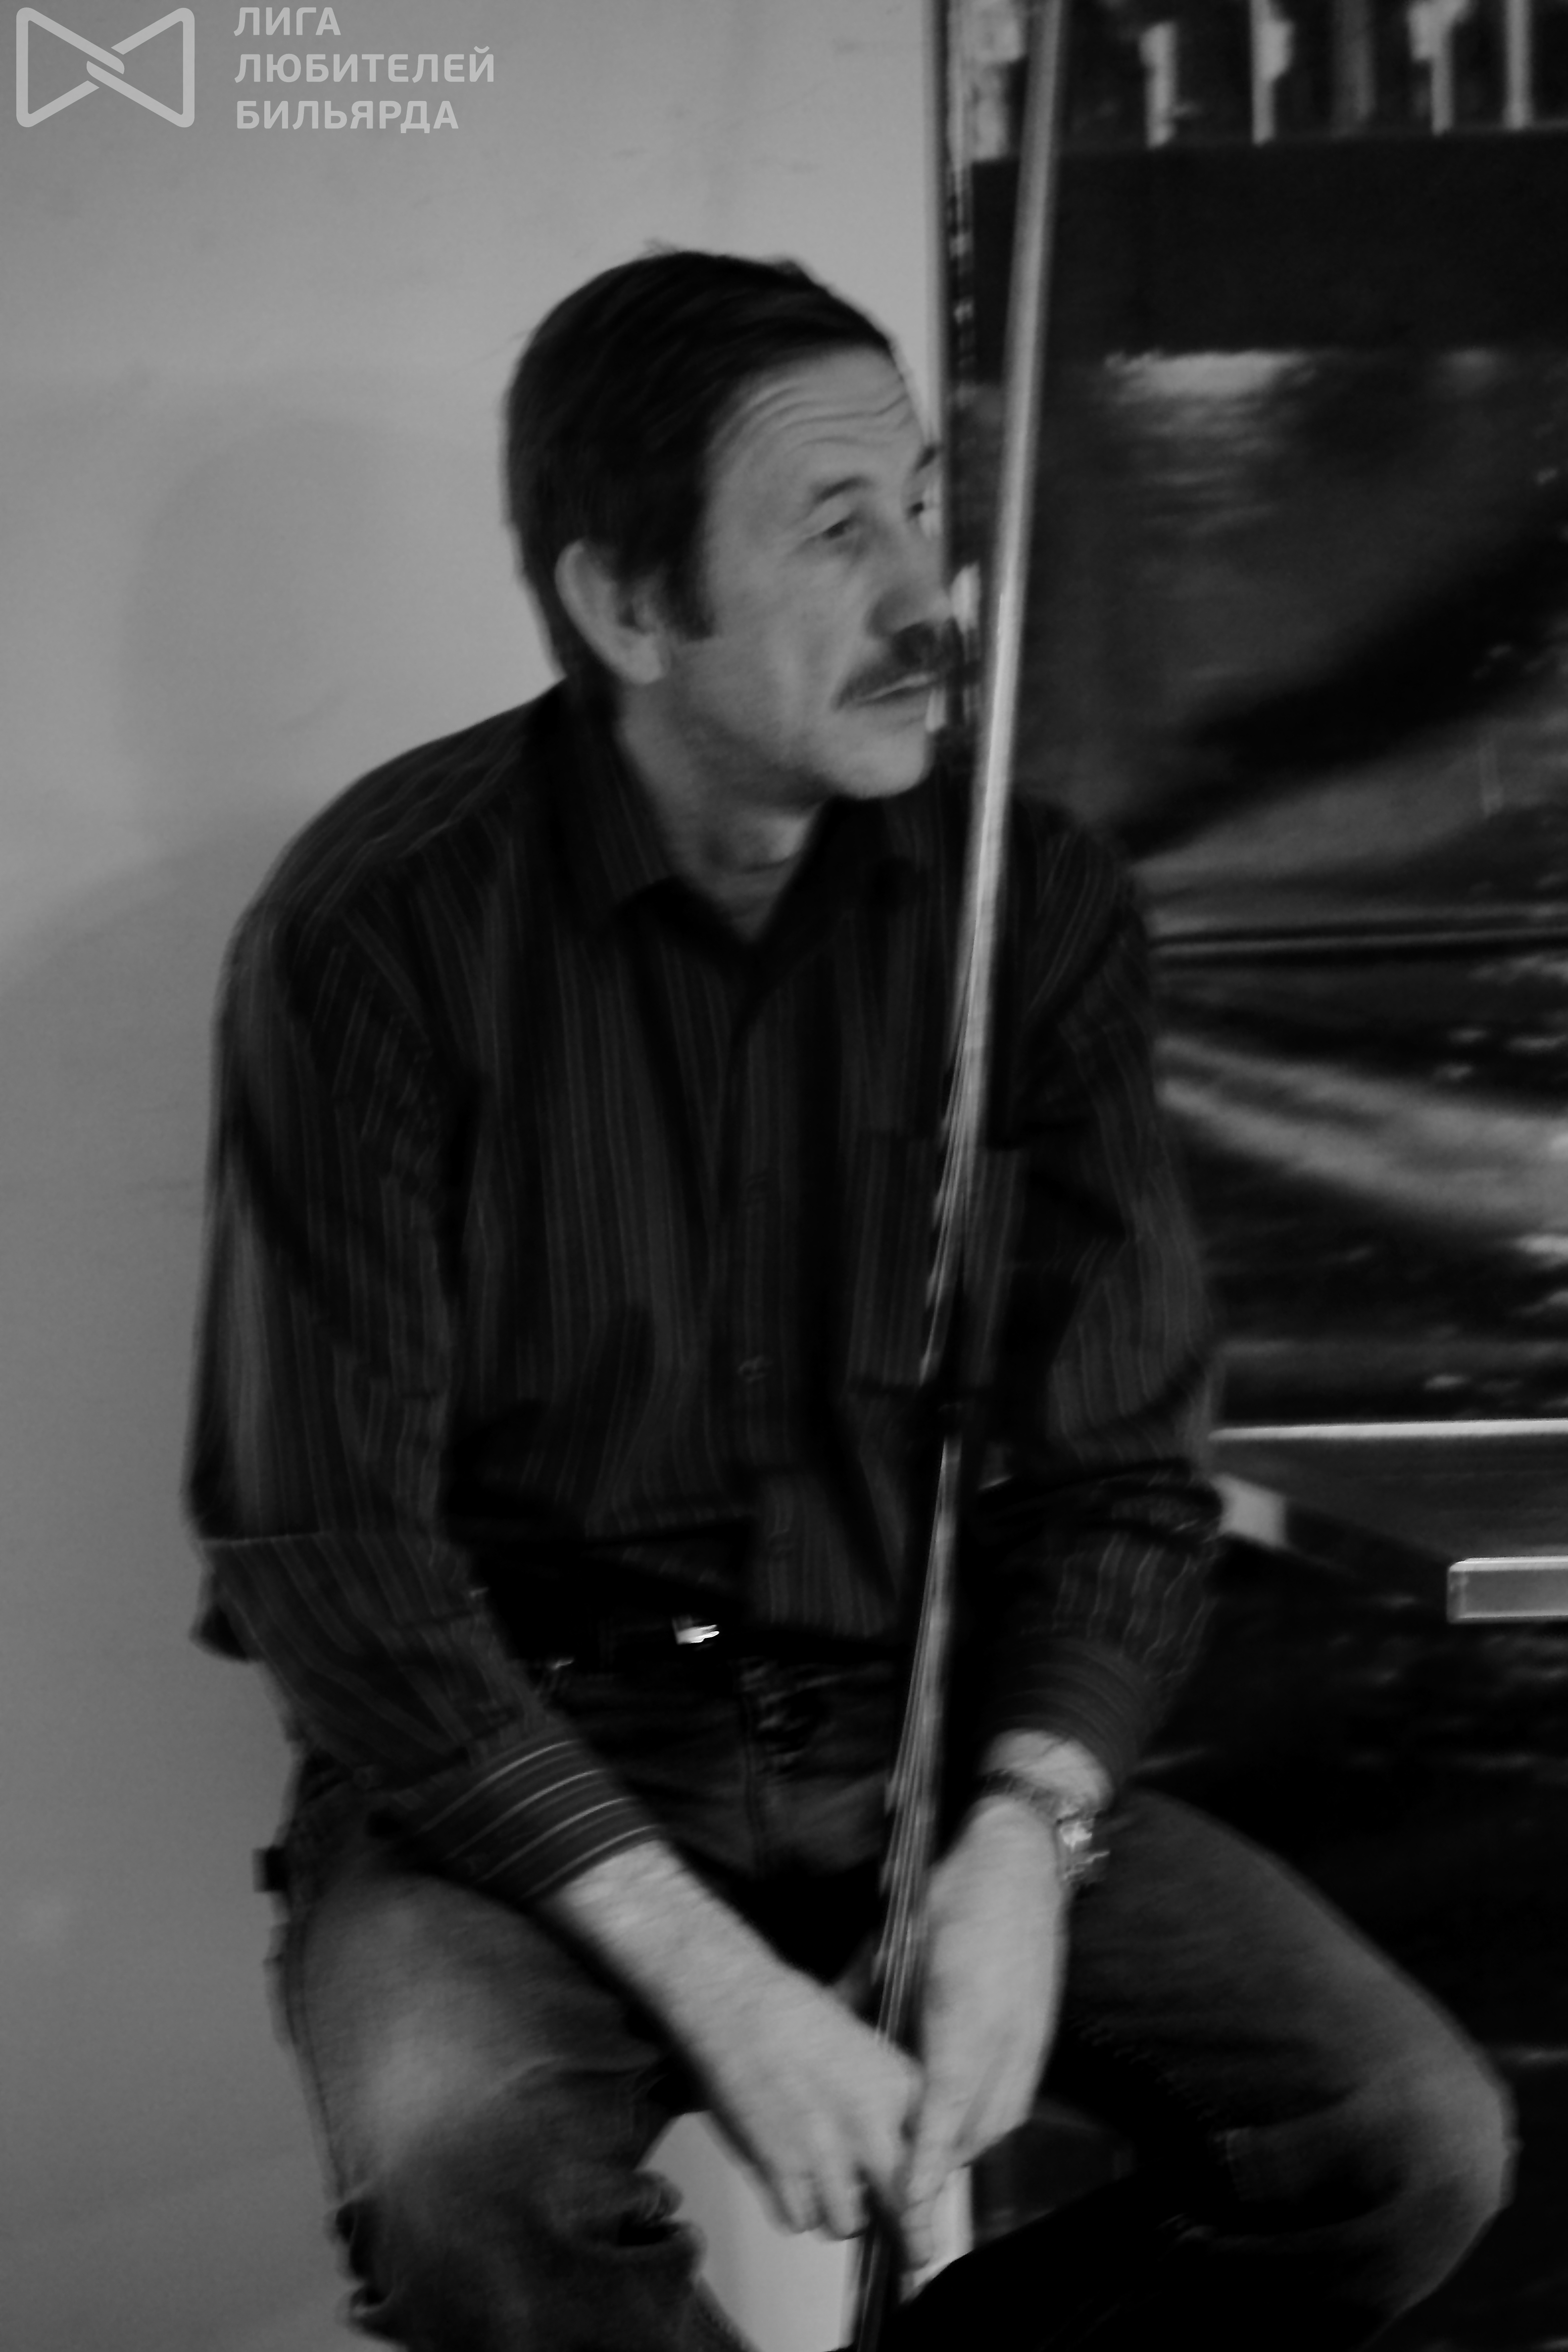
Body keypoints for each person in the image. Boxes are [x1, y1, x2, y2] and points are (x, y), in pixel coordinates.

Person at [185, 249, 1510, 2352]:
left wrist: (1027, 1831)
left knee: (1405, 2142)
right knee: (466, 2176)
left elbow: (1116, 1459)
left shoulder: (1029, 905)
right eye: (835, 533)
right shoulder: (381, 928)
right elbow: (326, 1550)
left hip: (918, 1718)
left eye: (921, 506)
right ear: (630, 607)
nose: (929, 596)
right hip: (520, 1753)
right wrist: (709, 1974)